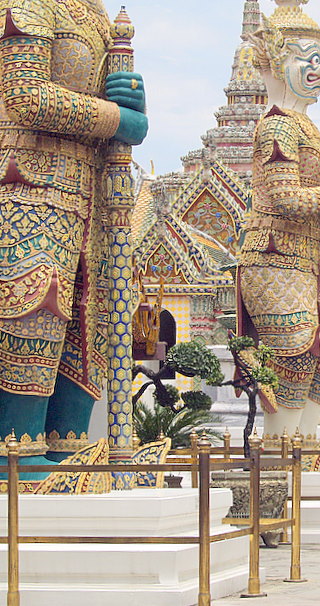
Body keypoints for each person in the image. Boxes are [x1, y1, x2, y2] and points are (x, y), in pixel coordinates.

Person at [0, 0, 148, 474]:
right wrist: (116, 117)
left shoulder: (97, 15)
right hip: (28, 185)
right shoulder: (27, 3)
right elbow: (25, 96)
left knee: (95, 322)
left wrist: (129, 103)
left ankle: (69, 451)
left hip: (93, 200)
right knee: (31, 308)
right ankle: (17, 455)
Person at [236, 0, 320, 441]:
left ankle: (304, 450)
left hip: (307, 260)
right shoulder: (277, 126)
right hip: (274, 258)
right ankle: (279, 454)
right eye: (307, 59)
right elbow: (287, 199)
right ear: (274, 60)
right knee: (292, 354)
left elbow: (306, 210)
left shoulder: (303, 125)